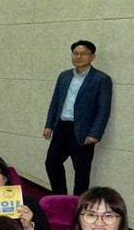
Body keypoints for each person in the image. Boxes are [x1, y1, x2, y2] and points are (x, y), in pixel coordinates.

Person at [43, 40, 113, 195]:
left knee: (81, 171)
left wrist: (95, 133)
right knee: (52, 163)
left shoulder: (101, 79)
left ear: (92, 56)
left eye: (83, 54)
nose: (79, 57)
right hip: (62, 126)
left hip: (84, 131)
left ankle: (79, 205)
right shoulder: (64, 76)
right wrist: (49, 125)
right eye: (75, 53)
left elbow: (104, 109)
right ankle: (60, 198)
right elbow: (55, 102)